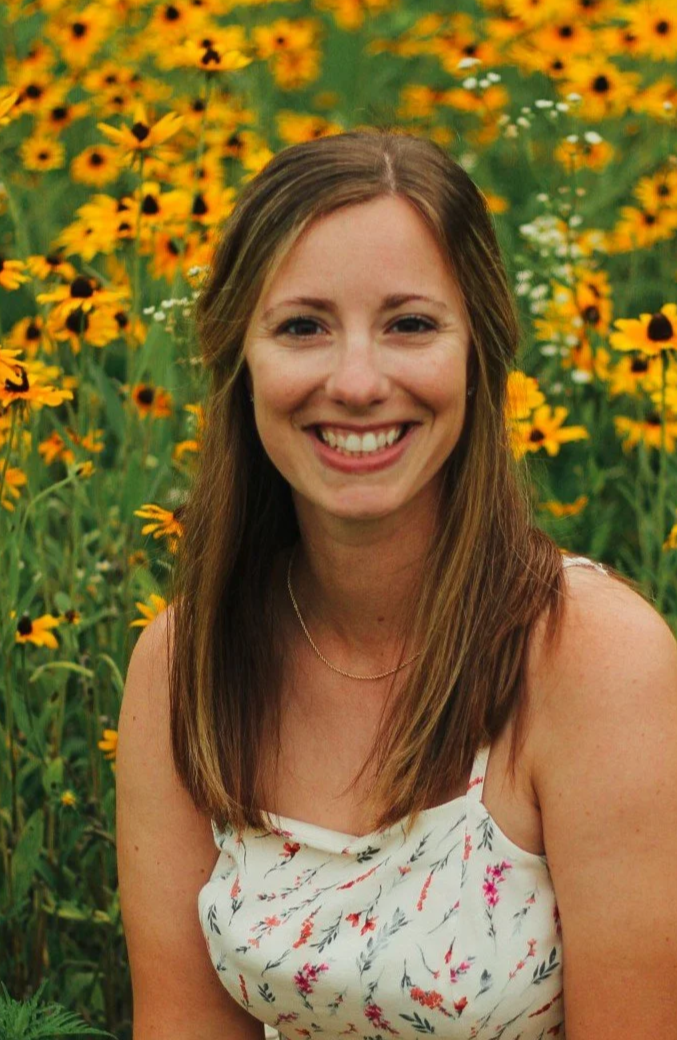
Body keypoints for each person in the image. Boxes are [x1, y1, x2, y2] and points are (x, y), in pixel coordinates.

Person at [115, 129, 677, 1039]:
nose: (357, 380)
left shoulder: (593, 661)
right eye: (302, 326)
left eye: (410, 323)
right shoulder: (185, 662)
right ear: (239, 360)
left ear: (479, 353)